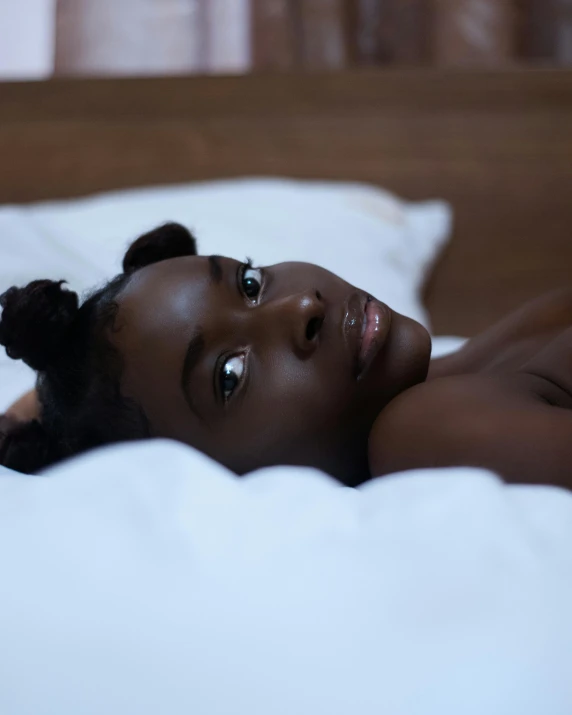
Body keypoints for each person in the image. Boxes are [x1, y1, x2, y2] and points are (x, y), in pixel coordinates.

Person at [1, 222, 571, 489]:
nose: (302, 305)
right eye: (230, 374)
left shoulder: (471, 369)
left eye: (250, 283)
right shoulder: (421, 431)